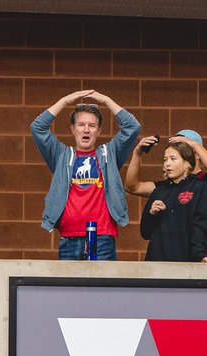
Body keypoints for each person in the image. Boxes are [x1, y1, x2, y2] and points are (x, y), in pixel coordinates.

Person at [30, 89, 141, 260]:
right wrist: (65, 100)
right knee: (69, 287)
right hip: (69, 238)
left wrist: (106, 99)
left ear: (99, 130)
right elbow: (38, 128)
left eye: (92, 125)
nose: (86, 130)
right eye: (81, 125)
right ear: (73, 129)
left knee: (103, 287)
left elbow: (132, 127)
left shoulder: (109, 154)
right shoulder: (61, 155)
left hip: (102, 237)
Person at [126, 130, 207, 262]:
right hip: (161, 257)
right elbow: (132, 186)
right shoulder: (162, 189)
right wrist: (137, 153)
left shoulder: (204, 183)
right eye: (166, 159)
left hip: (199, 253)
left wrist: (194, 145)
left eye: (174, 158)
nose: (168, 163)